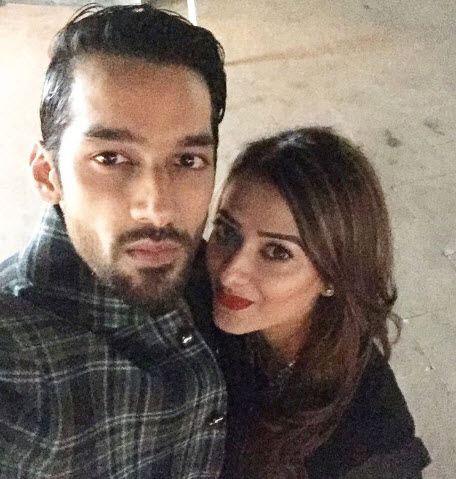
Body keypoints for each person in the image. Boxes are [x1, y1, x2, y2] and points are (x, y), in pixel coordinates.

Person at [0, 4, 227, 478]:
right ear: (47, 174)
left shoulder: (226, 269)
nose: (158, 209)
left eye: (187, 160)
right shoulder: (18, 359)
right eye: (111, 158)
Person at [206, 127, 431, 479]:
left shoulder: (369, 440)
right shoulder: (195, 299)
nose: (230, 273)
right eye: (226, 232)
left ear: (333, 275)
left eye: (276, 252)